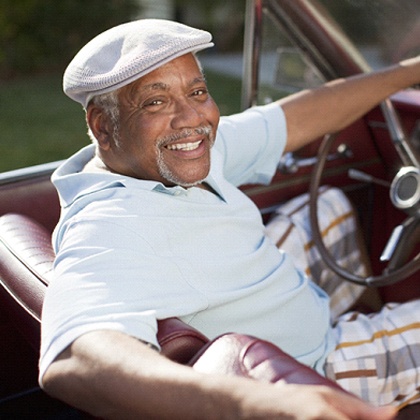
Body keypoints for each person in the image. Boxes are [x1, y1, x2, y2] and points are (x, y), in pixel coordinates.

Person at [38, 18, 420, 419]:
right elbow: (73, 359)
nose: (191, 118)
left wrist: (409, 72)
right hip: (314, 361)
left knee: (330, 207)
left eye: (197, 91)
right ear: (103, 125)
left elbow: (295, 116)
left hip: (268, 305)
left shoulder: (176, 153)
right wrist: (261, 401)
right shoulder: (109, 224)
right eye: (156, 101)